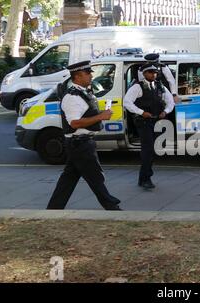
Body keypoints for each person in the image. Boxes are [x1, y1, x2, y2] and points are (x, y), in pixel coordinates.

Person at [47, 61, 121, 210]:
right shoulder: (72, 97)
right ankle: (112, 208)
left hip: (82, 143)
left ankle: (53, 209)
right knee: (96, 178)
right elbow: (74, 123)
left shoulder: (84, 92)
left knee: (68, 179)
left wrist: (101, 114)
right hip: (80, 144)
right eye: (88, 73)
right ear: (78, 76)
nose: (91, 75)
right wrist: (100, 117)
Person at [124, 63, 175, 189]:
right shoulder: (137, 87)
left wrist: (166, 111)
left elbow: (170, 101)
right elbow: (127, 102)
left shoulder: (160, 86)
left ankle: (143, 178)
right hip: (144, 122)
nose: (154, 74)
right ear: (144, 74)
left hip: (157, 121)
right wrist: (142, 112)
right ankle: (146, 178)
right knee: (148, 150)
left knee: (154, 150)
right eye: (150, 72)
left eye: (155, 72)